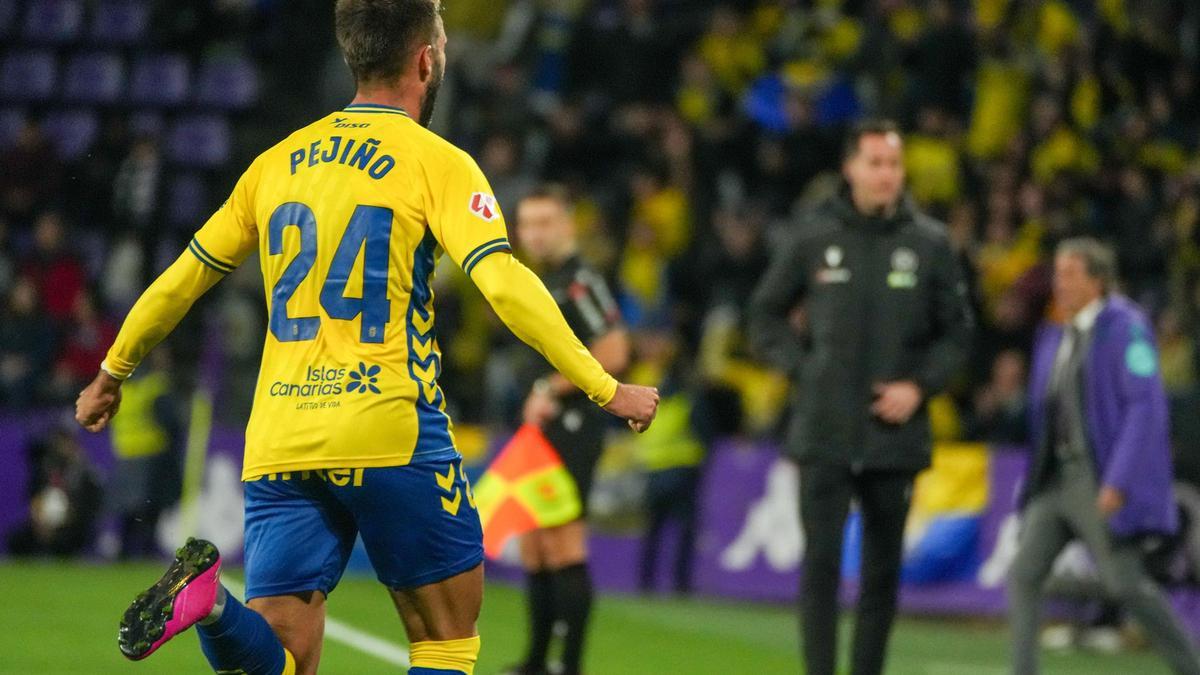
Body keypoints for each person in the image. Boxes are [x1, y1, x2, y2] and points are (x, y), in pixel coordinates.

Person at [73, 2, 660, 674]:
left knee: (286, 656)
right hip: (387, 424)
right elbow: (503, 284)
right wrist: (604, 387)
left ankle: (211, 606)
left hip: (281, 434)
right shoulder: (437, 161)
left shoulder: (276, 163)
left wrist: (112, 371)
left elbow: (183, 279)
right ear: (425, 60)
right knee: (445, 638)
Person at [748, 119, 973, 675]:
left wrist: (918, 387)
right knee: (820, 568)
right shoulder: (813, 237)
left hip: (894, 436)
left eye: (893, 164)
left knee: (881, 576)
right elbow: (764, 315)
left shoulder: (930, 244)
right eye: (875, 163)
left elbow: (958, 333)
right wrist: (805, 370)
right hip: (824, 429)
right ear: (849, 168)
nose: (885, 174)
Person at [1007, 238, 1200, 675]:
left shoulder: (1125, 328)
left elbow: (1144, 408)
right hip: (1055, 480)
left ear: (1098, 281)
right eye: (1058, 274)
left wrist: (1119, 479)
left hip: (1098, 479)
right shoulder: (1056, 332)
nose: (1060, 284)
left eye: (1070, 275)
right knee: (1024, 573)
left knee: (1125, 584)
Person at [508, 185, 631, 675]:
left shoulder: (580, 280)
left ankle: (570, 665)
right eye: (527, 224)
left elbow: (615, 352)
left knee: (562, 540)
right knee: (535, 543)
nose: (535, 233)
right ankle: (538, 661)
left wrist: (550, 388)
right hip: (545, 425)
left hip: (575, 424)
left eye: (545, 222)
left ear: (568, 225)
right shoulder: (545, 280)